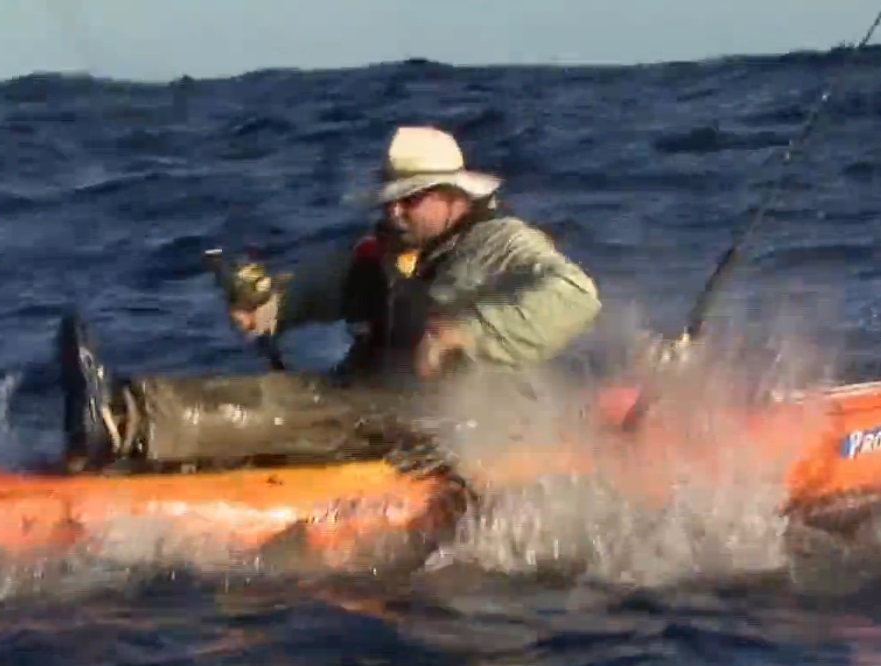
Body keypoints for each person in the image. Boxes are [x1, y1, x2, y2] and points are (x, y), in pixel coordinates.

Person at [57, 125, 609, 473]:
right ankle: (128, 428)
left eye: (409, 201)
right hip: (378, 403)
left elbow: (576, 296)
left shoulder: (502, 243)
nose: (393, 212)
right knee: (301, 398)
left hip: (457, 428)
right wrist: (268, 306)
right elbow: (316, 290)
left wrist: (466, 333)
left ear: (453, 196)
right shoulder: (383, 250)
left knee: (317, 410)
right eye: (390, 200)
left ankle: (126, 423)